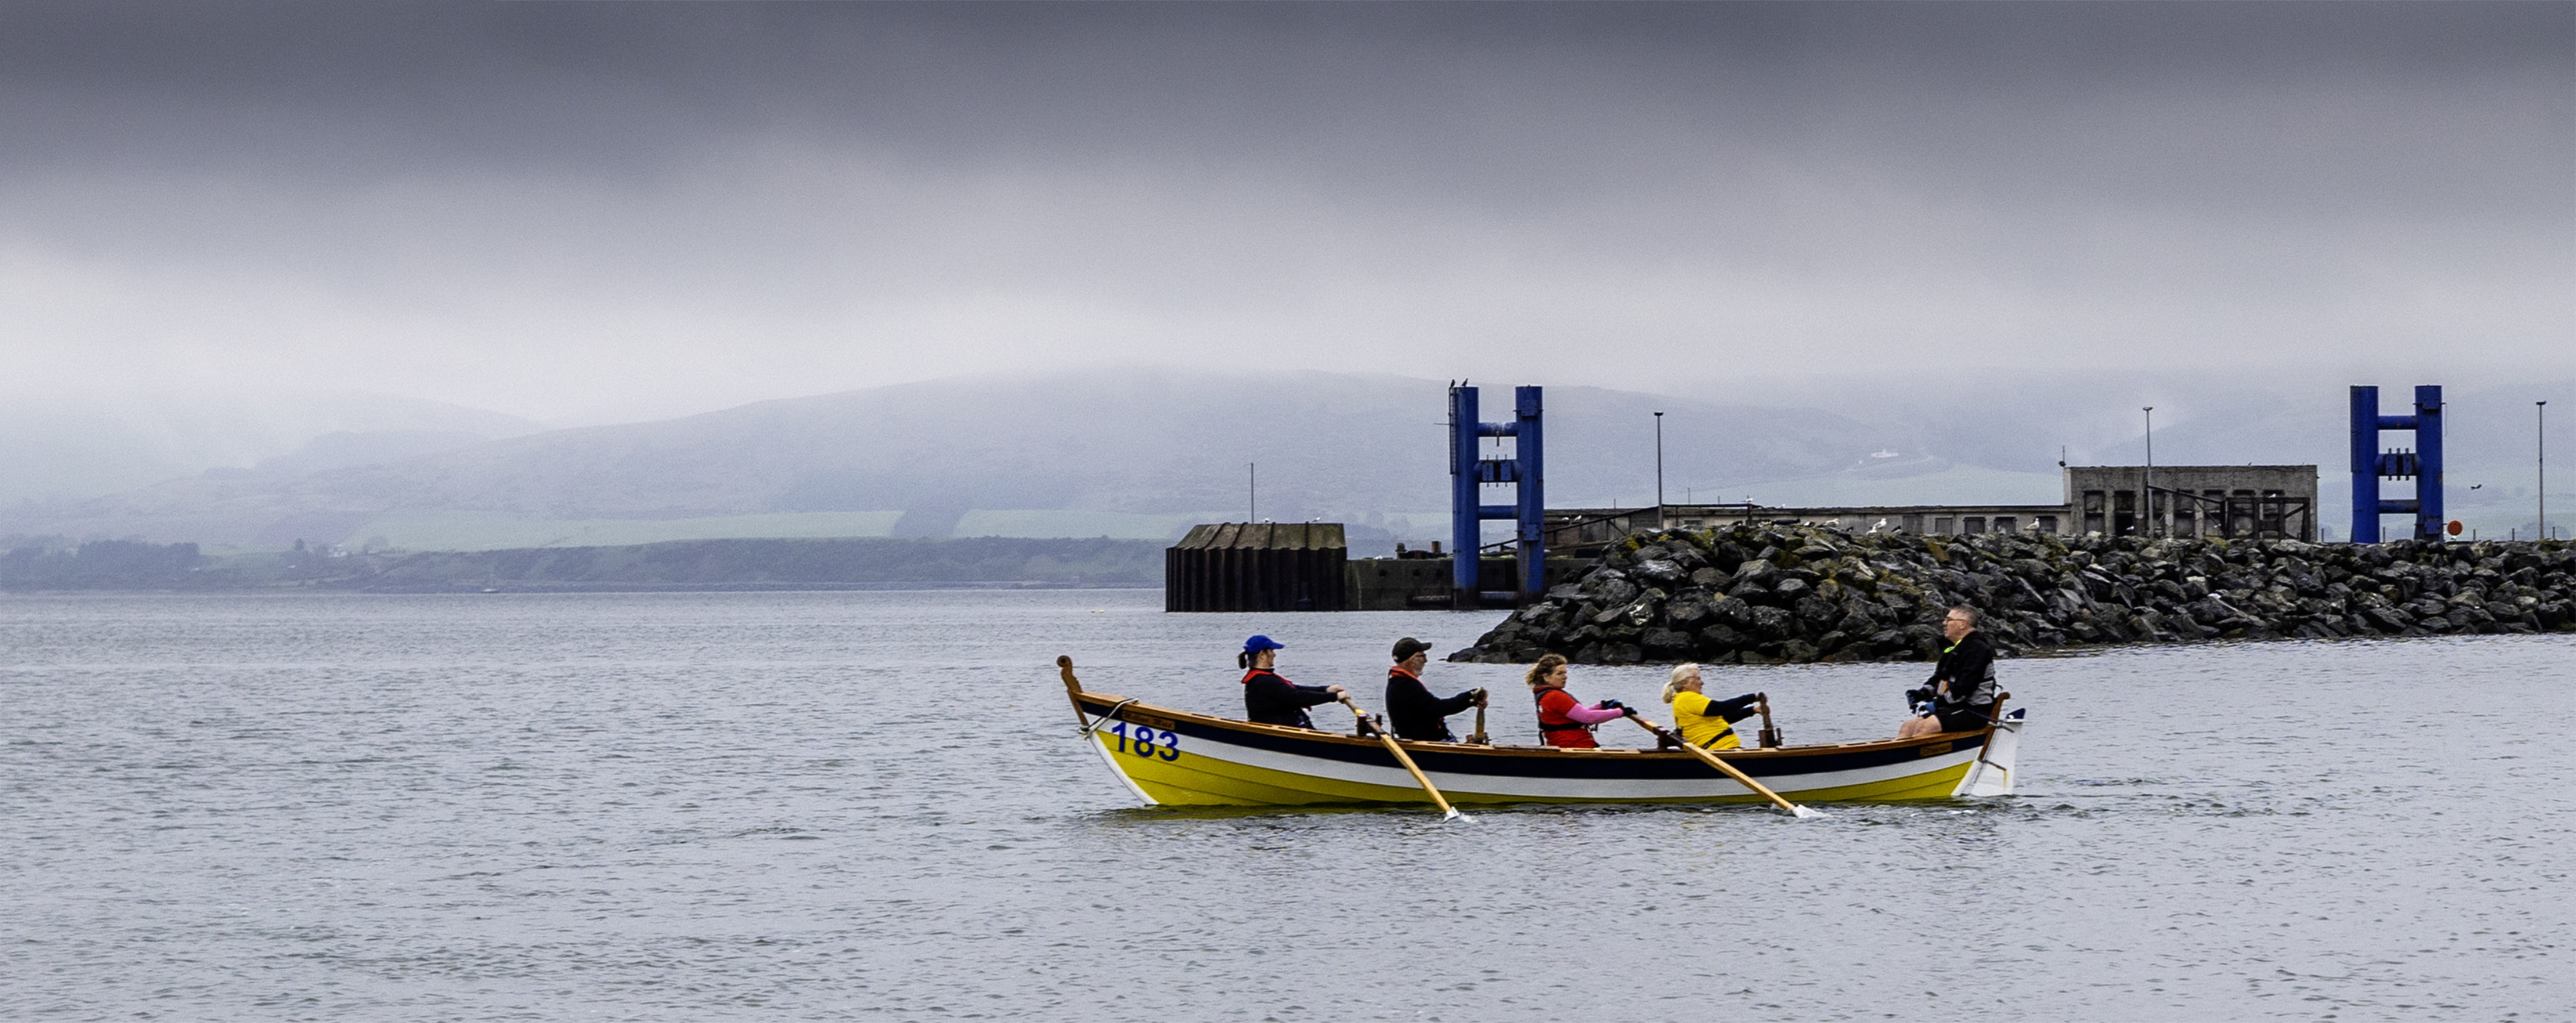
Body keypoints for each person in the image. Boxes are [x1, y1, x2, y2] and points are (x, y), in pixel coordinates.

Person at [1898, 605, 1999, 739]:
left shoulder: (1978, 649)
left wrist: (1937, 704)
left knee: (1926, 726)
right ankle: (1894, 759)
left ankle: (1919, 757)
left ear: (1962, 624)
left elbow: (1964, 688)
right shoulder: (1952, 650)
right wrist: (1921, 694)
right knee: (1908, 727)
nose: (1944, 623)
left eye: (1949, 620)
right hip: (1952, 708)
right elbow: (1939, 679)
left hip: (1974, 711)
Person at [1383, 636, 1483, 742]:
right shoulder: (1405, 686)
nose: (1426, 661)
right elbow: (1438, 708)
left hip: (1427, 742)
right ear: (1412, 660)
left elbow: (1431, 708)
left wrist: (1472, 700)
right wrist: (1469, 697)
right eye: (1423, 656)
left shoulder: (1399, 683)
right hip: (1425, 745)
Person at [1239, 635, 1346, 729]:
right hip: (1280, 736)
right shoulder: (1264, 681)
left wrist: (1326, 690)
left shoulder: (1262, 678)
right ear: (1262, 654)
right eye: (1271, 651)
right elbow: (1297, 697)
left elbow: (1293, 689)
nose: (1274, 655)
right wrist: (1334, 697)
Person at [1525, 653, 1628, 749]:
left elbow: (1576, 716)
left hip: (1567, 746)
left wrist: (1602, 706)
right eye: (1559, 674)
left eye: (1565, 673)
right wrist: (1621, 712)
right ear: (1546, 677)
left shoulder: (1546, 694)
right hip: (1574, 747)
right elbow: (1587, 717)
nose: (1565, 677)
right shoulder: (1554, 696)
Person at [1660, 664, 1763, 751]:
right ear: (1684, 683)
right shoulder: (1687, 698)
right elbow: (1721, 708)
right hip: (1719, 749)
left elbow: (1724, 718)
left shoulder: (1684, 699)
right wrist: (1752, 698)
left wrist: (1752, 710)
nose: (1702, 682)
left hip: (1723, 749)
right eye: (1698, 678)